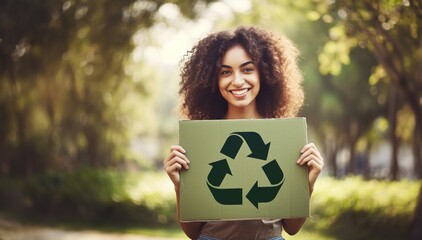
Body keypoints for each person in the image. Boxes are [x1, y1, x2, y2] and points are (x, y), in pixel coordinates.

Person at [163, 26, 324, 240]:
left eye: (247, 69)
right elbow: (192, 232)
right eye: (225, 72)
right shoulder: (202, 141)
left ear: (264, 74)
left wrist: (308, 184)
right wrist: (179, 186)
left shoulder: (284, 139)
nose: (237, 81)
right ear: (213, 79)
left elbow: (291, 228)